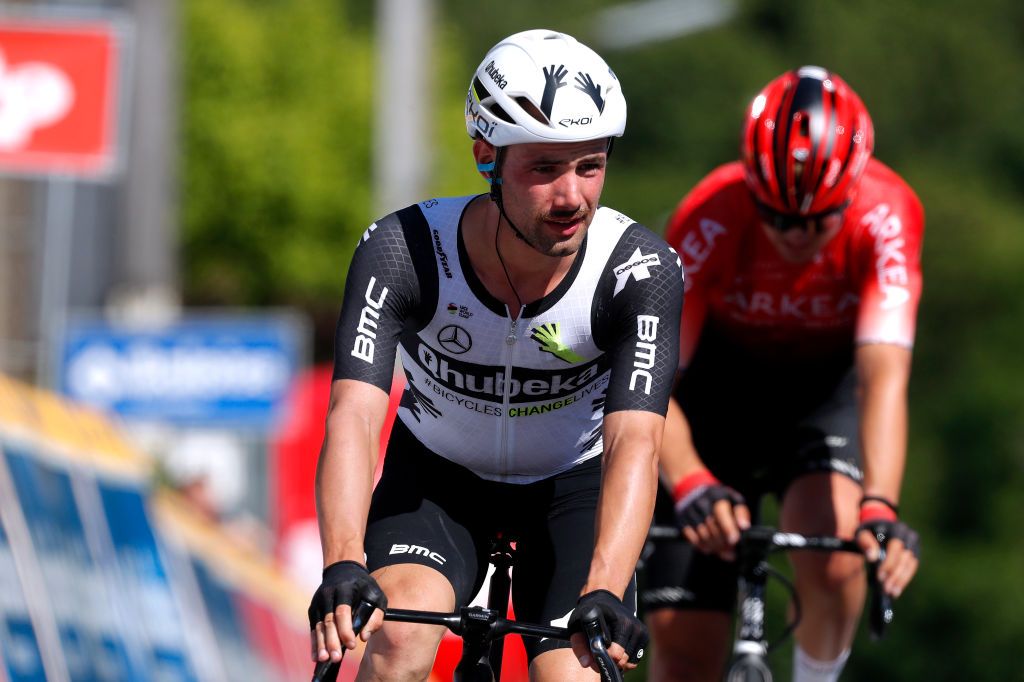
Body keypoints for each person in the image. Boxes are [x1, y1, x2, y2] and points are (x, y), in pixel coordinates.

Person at [308, 29, 684, 681]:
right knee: (398, 639)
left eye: (589, 166)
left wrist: (605, 585)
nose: (572, 196)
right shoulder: (402, 249)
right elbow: (354, 414)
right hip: (438, 479)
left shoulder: (640, 270)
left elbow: (635, 445)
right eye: (544, 168)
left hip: (573, 487)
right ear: (487, 157)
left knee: (574, 672)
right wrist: (343, 560)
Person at [642, 66, 923, 682]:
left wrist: (880, 506)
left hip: (821, 403)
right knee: (682, 658)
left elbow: (883, 378)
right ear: (752, 192)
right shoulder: (710, 214)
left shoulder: (888, 215)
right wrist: (688, 480)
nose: (795, 234)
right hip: (713, 403)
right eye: (776, 217)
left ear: (850, 193)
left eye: (817, 220)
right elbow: (651, 378)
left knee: (839, 558)